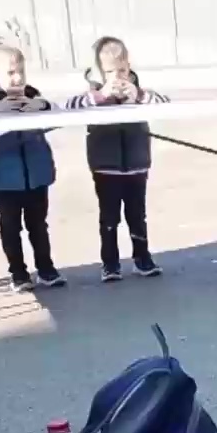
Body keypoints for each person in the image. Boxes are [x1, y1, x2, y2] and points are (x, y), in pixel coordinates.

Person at [67, 36, 169, 281]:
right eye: (110, 71)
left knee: (137, 214)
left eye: (122, 69)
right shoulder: (92, 95)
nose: (118, 77)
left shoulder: (139, 90)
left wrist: (139, 94)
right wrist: (102, 95)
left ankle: (142, 258)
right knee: (109, 217)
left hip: (136, 163)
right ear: (98, 72)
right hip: (105, 165)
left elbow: (164, 104)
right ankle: (110, 263)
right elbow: (70, 108)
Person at [0, 42, 63, 294]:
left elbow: (57, 111)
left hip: (37, 176)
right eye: (10, 72)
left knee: (38, 225)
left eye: (21, 70)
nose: (18, 77)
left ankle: (46, 268)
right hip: (4, 180)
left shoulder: (34, 96)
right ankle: (18, 273)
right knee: (10, 227)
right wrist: (0, 108)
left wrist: (38, 106)